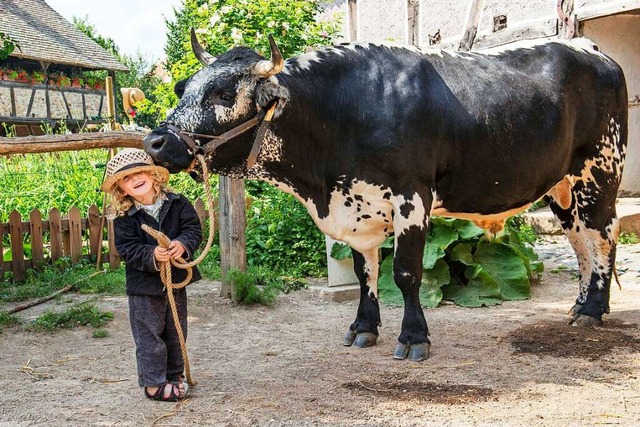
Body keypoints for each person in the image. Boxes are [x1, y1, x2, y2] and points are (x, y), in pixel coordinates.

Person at [101, 148, 202, 402]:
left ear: (154, 175)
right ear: (122, 190)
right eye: (126, 178)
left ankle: (174, 374)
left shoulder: (178, 203)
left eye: (140, 172)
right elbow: (127, 249)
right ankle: (154, 383)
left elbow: (193, 230)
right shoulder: (125, 218)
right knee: (149, 334)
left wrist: (182, 244)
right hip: (143, 288)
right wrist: (152, 254)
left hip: (175, 281)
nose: (135, 178)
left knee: (176, 331)